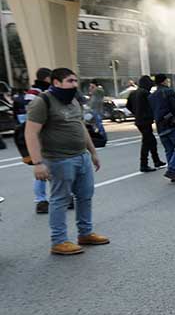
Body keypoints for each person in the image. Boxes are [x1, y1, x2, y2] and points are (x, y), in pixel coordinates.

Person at [25, 68, 109, 255]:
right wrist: (38, 163)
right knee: (60, 200)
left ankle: (85, 233)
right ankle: (59, 241)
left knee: (85, 196)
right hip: (59, 159)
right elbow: (30, 133)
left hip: (81, 156)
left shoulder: (73, 100)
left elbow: (81, 127)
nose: (75, 84)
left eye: (75, 81)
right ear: (56, 82)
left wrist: (92, 152)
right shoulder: (43, 102)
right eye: (70, 81)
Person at [23, 67, 55, 214]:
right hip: (41, 134)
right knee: (42, 167)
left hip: (48, 133)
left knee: (52, 166)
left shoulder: (43, 91)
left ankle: (54, 198)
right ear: (47, 78)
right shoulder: (35, 93)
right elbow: (31, 114)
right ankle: (41, 200)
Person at [149, 73, 175, 183]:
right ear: (164, 81)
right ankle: (172, 169)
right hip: (171, 124)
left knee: (169, 149)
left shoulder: (151, 96)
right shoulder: (168, 91)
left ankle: (173, 173)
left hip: (160, 126)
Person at [126, 75, 165, 172]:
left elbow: (128, 105)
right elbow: (152, 105)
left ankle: (156, 161)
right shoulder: (145, 93)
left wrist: (136, 112)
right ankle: (144, 164)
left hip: (139, 120)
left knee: (150, 140)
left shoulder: (133, 93)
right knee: (147, 142)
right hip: (145, 120)